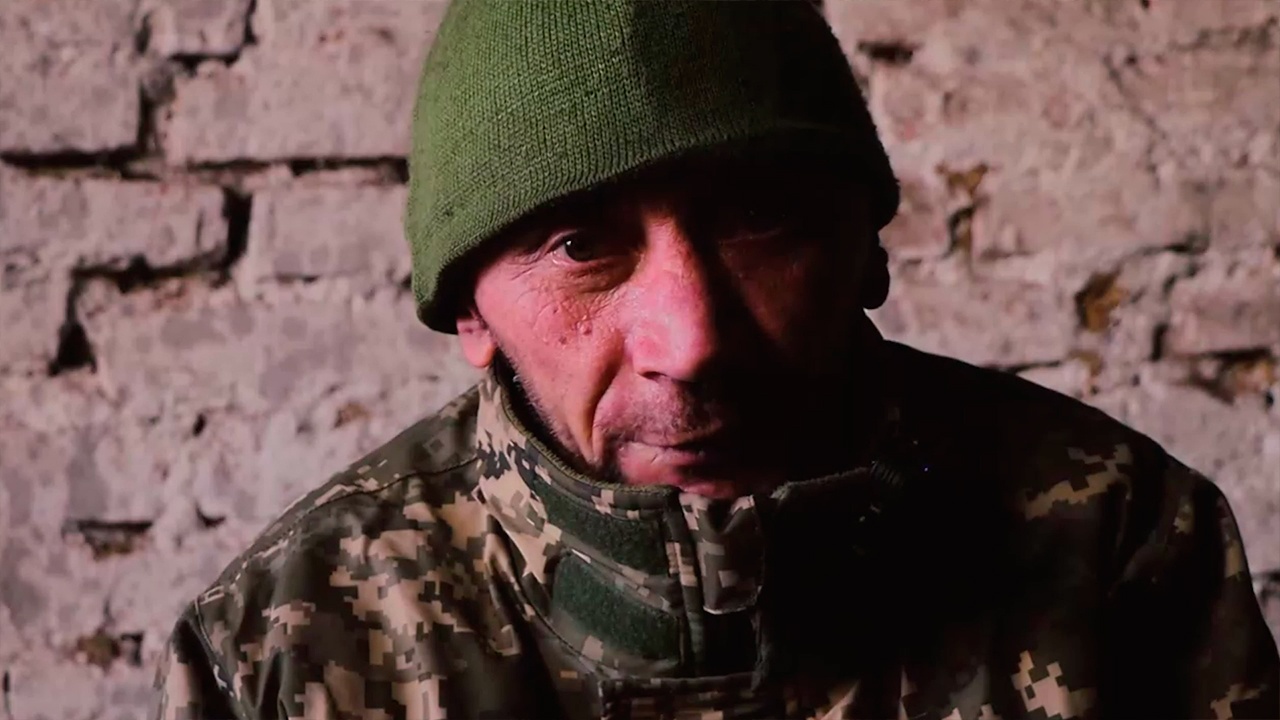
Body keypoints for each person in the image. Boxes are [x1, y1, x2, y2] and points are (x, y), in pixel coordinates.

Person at [152, 2, 1279, 718]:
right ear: (471, 315)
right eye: (580, 247)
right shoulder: (286, 641)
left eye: (757, 219)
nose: (689, 344)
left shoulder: (1118, 543)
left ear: (867, 249)